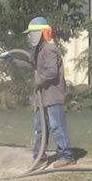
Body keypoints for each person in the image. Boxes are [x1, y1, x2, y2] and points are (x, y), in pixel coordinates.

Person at [26, 16, 76, 169]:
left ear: (41, 33)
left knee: (56, 127)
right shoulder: (38, 50)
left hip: (52, 95)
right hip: (42, 96)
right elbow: (32, 67)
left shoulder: (49, 49)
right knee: (40, 128)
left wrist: (38, 81)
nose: (30, 36)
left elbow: (51, 72)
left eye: (32, 33)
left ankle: (67, 156)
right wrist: (13, 61)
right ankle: (39, 157)